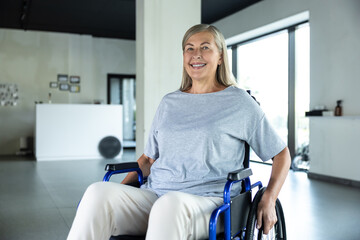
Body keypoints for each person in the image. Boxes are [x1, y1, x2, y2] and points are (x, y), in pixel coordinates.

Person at [67, 24, 291, 240]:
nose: (196, 54)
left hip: (209, 203)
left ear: (221, 56)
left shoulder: (240, 102)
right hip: (156, 196)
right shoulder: (169, 102)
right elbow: (147, 159)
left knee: (169, 205)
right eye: (189, 48)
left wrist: (269, 198)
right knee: (98, 193)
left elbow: (281, 154)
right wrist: (121, 194)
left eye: (205, 47)